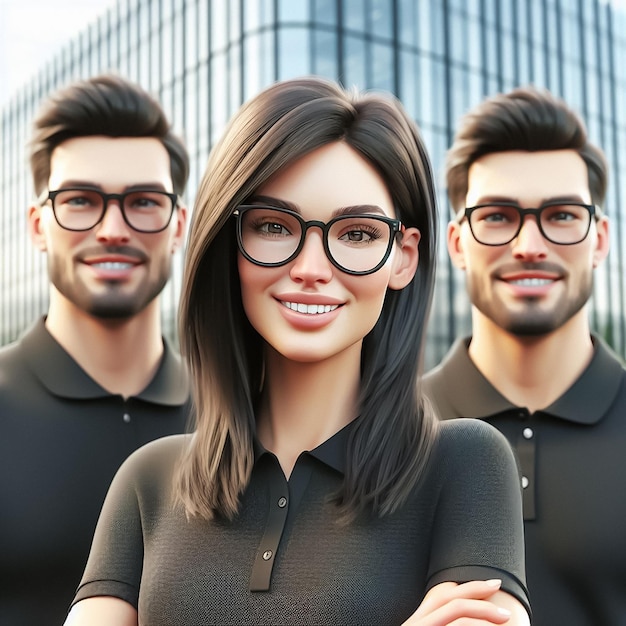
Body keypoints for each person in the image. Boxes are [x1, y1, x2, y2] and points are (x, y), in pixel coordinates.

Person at [64, 76, 530, 626]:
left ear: (403, 258)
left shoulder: (465, 464)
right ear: (227, 244)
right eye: (273, 226)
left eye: (356, 234)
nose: (311, 269)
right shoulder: (147, 482)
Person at [423, 86, 625, 625]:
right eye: (496, 215)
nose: (529, 244)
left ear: (600, 239)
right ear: (457, 242)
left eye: (561, 215)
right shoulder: (372, 427)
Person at [0, 74, 191, 626]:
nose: (112, 229)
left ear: (177, 225)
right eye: (80, 201)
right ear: (38, 226)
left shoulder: (243, 417)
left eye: (143, 201)